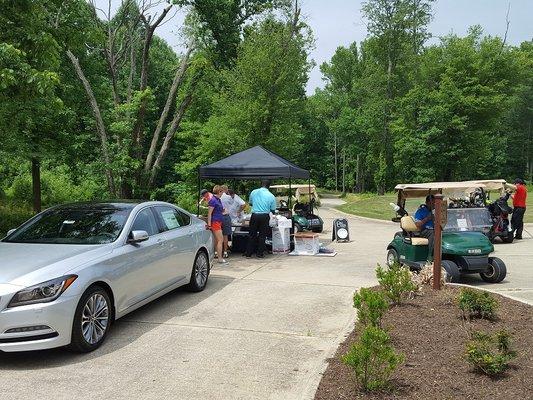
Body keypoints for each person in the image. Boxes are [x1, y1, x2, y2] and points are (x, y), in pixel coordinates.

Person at [245, 180, 276, 258]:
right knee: (262, 235)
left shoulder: (253, 192)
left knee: (252, 235)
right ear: (269, 186)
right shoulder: (271, 195)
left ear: (261, 184)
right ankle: (260, 253)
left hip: (254, 215)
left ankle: (248, 253)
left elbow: (250, 203)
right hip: (265, 216)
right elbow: (273, 210)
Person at [207, 185, 228, 265]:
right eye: (222, 192)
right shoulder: (213, 200)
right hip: (215, 222)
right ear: (219, 192)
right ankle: (220, 258)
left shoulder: (218, 200)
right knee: (220, 240)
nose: (223, 194)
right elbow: (209, 213)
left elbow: (218, 210)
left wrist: (223, 211)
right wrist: (209, 224)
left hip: (219, 221)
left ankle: (217, 255)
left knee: (217, 240)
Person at [414, 195, 435, 262]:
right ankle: (430, 257)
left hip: (435, 229)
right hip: (423, 230)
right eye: (431, 203)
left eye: (434, 203)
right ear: (427, 203)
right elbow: (417, 224)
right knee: (433, 233)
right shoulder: (420, 211)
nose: (433, 205)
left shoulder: (436, 211)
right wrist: (427, 218)